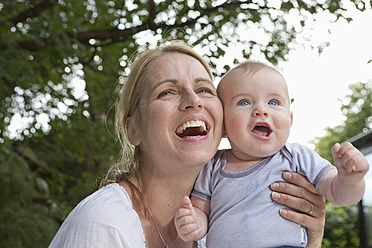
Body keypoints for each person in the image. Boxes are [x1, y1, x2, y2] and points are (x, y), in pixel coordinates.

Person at [49, 42, 327, 248]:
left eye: (205, 89)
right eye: (167, 91)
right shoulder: (103, 223)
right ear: (133, 129)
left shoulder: (218, 226)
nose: (194, 100)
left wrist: (310, 241)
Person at [174, 61, 370, 247]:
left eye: (274, 102)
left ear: (290, 120)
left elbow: (339, 194)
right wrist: (193, 223)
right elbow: (201, 212)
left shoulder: (296, 156)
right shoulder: (213, 166)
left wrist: (350, 179)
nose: (261, 110)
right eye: (244, 102)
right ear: (223, 126)